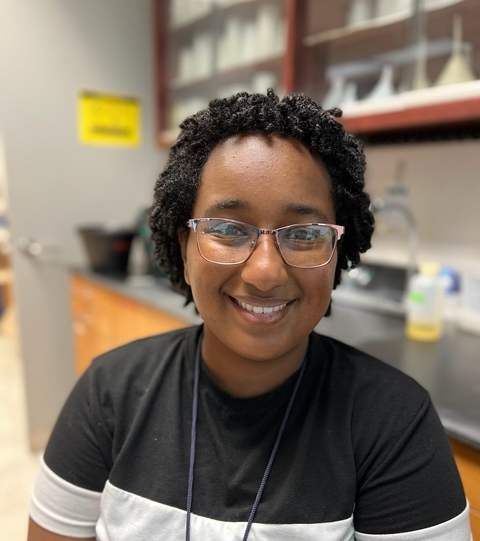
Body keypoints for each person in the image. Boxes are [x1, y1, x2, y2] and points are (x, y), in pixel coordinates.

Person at [28, 90, 471, 541]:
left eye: (305, 234)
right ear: (185, 249)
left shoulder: (392, 422)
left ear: (337, 252)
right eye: (225, 229)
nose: (264, 272)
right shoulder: (110, 394)